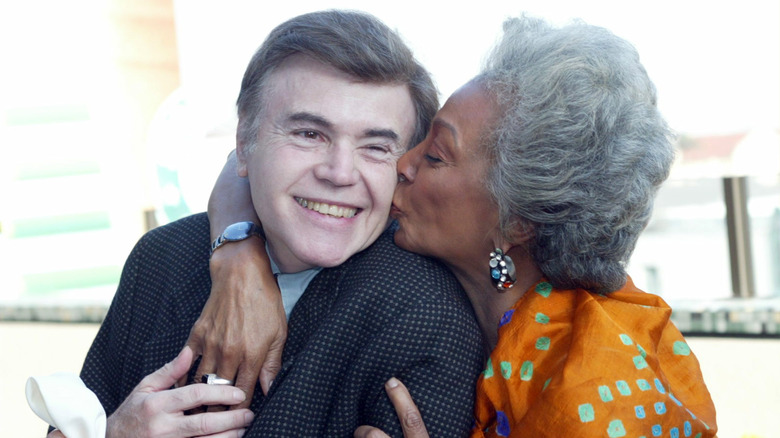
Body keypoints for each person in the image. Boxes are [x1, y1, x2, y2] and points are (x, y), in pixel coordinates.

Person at [197, 14, 718, 438]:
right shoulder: (472, 292)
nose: (400, 162)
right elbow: (247, 161)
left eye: (437, 155)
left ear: (515, 221)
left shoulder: (589, 383)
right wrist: (237, 259)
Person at [59, 10, 484, 438]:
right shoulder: (160, 257)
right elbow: (69, 420)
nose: (339, 173)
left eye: (375, 146)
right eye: (309, 134)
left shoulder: (430, 318)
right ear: (244, 143)